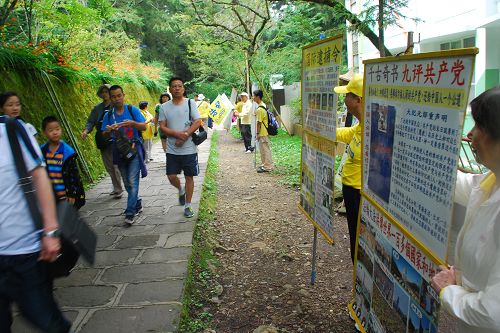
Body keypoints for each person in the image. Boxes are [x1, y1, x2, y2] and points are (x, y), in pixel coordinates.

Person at [431, 86, 500, 333]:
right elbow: (459, 185)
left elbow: (493, 314)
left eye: (479, 127)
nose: (470, 135)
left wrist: (449, 291)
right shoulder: (490, 182)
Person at [0, 116, 71, 333]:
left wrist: (50, 232)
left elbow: (40, 177)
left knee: (47, 321)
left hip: (24, 252)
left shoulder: (12, 131)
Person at [101, 85, 147, 225]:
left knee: (132, 181)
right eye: (113, 96)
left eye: (119, 95)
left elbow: (144, 126)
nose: (116, 99)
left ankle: (130, 212)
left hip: (133, 149)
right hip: (118, 151)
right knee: (126, 182)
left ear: (123, 95)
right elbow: (103, 133)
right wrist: (109, 130)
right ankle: (137, 202)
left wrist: (132, 123)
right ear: (110, 98)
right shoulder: (108, 115)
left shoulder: (131, 110)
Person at [159, 77, 202, 218]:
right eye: (174, 86)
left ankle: (188, 206)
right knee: (171, 176)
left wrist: (185, 135)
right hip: (172, 149)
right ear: (170, 89)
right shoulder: (164, 107)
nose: (177, 88)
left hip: (189, 148)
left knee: (189, 176)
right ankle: (180, 189)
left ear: (183, 89)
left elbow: (197, 121)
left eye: (179, 86)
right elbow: (162, 127)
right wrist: (177, 134)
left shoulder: (190, 103)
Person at [333, 73, 364, 263]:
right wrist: (323, 128)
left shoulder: (373, 128)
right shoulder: (361, 126)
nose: (344, 100)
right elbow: (348, 134)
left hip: (360, 194)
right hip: (351, 190)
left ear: (357, 100)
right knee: (354, 234)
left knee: (359, 237)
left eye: (347, 95)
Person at [81, 84, 123, 199]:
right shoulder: (97, 109)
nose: (105, 94)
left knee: (115, 164)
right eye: (103, 92)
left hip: (115, 137)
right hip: (102, 138)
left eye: (107, 91)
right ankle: (116, 187)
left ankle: (119, 188)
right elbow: (91, 121)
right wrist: (86, 131)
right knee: (108, 165)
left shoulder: (117, 106)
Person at [41, 116, 86, 209]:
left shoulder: (67, 152)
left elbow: (74, 175)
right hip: (51, 196)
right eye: (50, 130)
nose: (55, 132)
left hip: (66, 194)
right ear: (44, 133)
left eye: (57, 129)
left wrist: (72, 194)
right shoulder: (42, 152)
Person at [254, 89, 274, 173]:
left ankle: (268, 166)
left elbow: (259, 123)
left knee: (265, 149)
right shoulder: (263, 105)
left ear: (258, 97)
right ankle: (265, 164)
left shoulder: (259, 109)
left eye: (254, 96)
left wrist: (257, 133)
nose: (253, 97)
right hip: (264, 131)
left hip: (262, 132)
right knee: (263, 149)